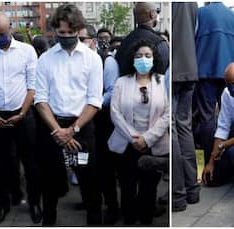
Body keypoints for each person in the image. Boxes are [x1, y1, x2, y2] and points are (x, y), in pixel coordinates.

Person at [34, 4, 103, 225]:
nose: (65, 36)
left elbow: (94, 100)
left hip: (82, 126)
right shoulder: (46, 59)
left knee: (89, 183)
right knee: (50, 184)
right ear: (55, 30)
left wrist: (72, 130)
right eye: (60, 33)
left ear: (79, 29)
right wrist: (58, 131)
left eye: (70, 33)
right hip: (52, 127)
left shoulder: (92, 59)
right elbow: (41, 100)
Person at [0, 13, 42, 225]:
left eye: (2, 34)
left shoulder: (27, 51)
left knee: (31, 162)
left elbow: (33, 86)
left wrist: (22, 113)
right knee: (0, 163)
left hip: (23, 114)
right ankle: (3, 205)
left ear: (11, 28)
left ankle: (34, 203)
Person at [108, 40, 169, 225]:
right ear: (132, 59)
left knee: (149, 190)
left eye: (147, 56)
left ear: (154, 58)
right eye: (139, 56)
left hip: (154, 145)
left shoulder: (161, 81)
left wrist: (147, 138)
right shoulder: (122, 82)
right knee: (127, 188)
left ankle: (146, 219)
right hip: (126, 144)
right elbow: (115, 113)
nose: (143, 59)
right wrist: (134, 137)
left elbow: (167, 114)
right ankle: (129, 220)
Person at [80, 24, 121, 224]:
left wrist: (91, 104)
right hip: (79, 123)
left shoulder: (108, 61)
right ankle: (89, 202)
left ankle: (112, 206)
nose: (77, 44)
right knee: (81, 164)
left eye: (82, 40)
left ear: (93, 41)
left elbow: (112, 91)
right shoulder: (73, 62)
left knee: (105, 167)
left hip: (101, 123)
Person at [194, 2, 234, 164]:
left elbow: (192, 38)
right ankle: (230, 153)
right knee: (230, 113)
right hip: (231, 72)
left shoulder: (199, 13)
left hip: (205, 70)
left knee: (207, 116)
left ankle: (211, 157)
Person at [171, 2, 201, 212]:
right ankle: (192, 189)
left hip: (173, 71)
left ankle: (178, 194)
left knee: (173, 130)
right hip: (189, 68)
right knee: (184, 127)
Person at [115, 2, 169, 76]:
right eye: (157, 12)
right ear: (152, 14)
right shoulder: (159, 42)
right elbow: (165, 72)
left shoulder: (124, 42)